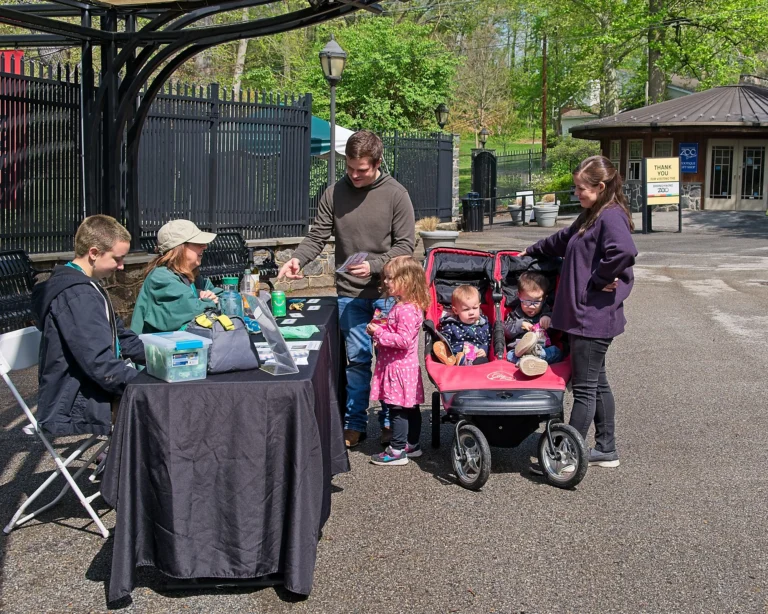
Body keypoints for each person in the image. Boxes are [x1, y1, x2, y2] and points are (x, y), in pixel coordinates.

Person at [278, 131, 416, 448]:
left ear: (377, 163)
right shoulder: (334, 193)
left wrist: (376, 265)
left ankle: (388, 421)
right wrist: (297, 259)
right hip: (350, 294)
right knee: (357, 362)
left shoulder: (396, 195)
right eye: (350, 168)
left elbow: (406, 246)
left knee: (389, 363)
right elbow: (316, 237)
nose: (354, 175)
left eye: (362, 170)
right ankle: (354, 424)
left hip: (388, 294)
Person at [521, 155, 637, 469]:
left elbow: (625, 251)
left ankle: (566, 456)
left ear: (600, 187)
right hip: (591, 316)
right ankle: (606, 448)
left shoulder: (610, 216)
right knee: (597, 382)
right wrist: (533, 249)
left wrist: (600, 279)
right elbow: (564, 239)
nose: (577, 194)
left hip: (592, 318)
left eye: (581, 188)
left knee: (584, 390)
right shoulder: (592, 212)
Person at [32, 215, 146, 436]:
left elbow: (121, 335)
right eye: (117, 259)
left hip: (86, 391)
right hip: (75, 403)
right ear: (94, 253)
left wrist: (162, 359)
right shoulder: (78, 295)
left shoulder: (86, 287)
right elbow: (100, 364)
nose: (122, 267)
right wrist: (145, 381)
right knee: (163, 407)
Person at [366, 256, 429, 465]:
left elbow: (402, 341)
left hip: (398, 368)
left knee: (397, 409)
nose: (385, 282)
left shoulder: (405, 309)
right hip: (404, 368)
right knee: (410, 407)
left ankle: (396, 450)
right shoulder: (407, 305)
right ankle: (412, 444)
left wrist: (379, 334)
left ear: (407, 280)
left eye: (390, 278)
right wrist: (382, 328)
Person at [131, 219, 221, 334]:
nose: (205, 246)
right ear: (180, 247)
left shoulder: (193, 275)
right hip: (158, 350)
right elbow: (189, 309)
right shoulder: (160, 277)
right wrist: (210, 301)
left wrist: (211, 300)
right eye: (198, 243)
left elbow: (222, 297)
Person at [504, 271, 562, 376]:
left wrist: (549, 320)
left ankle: (530, 361)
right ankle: (527, 360)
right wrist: (519, 325)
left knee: (556, 351)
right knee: (509, 355)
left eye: (536, 302)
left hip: (541, 348)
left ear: (544, 299)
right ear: (519, 296)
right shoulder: (515, 315)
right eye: (527, 301)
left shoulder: (546, 312)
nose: (531, 306)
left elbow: (557, 331)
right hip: (519, 350)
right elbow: (506, 331)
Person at [435, 285, 490, 366]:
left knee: (483, 361)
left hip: (476, 355)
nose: (471, 312)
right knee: (446, 347)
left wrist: (484, 349)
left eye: (475, 308)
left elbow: (488, 339)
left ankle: (466, 362)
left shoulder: (483, 324)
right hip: (456, 354)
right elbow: (445, 337)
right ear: (456, 310)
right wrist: (443, 342)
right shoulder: (451, 324)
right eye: (466, 309)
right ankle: (451, 358)